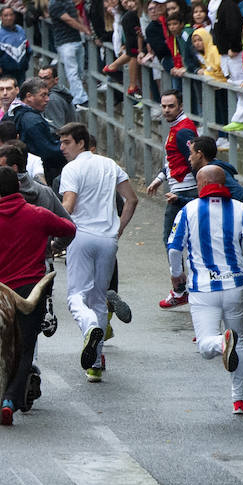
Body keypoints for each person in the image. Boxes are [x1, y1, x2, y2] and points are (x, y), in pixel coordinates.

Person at [0, 166, 76, 420]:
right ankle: (10, 399)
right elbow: (69, 228)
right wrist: (52, 248)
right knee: (24, 347)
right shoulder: (38, 215)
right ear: (19, 188)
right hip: (32, 291)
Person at [168, 164, 243, 415]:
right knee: (241, 341)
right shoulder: (240, 208)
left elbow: (174, 248)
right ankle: (240, 401)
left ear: (201, 185)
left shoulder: (188, 210)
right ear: (224, 184)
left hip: (203, 289)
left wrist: (176, 273)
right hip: (236, 285)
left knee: (204, 346)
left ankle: (223, 345)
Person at [58, 123, 138, 381]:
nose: (62, 148)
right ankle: (95, 364)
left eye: (67, 142)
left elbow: (68, 206)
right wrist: (119, 228)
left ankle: (89, 327)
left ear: (81, 143)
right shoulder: (110, 164)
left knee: (75, 298)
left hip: (81, 236)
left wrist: (52, 229)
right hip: (107, 239)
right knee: (99, 298)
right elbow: (132, 199)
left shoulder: (72, 169)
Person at [145, 89, 199, 309]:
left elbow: (195, 162)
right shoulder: (177, 128)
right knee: (176, 242)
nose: (166, 110)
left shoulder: (183, 130)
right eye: (164, 106)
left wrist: (185, 195)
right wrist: (160, 178)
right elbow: (172, 158)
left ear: (181, 106)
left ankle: (181, 289)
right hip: (179, 192)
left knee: (173, 241)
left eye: (171, 106)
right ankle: (184, 288)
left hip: (184, 195)